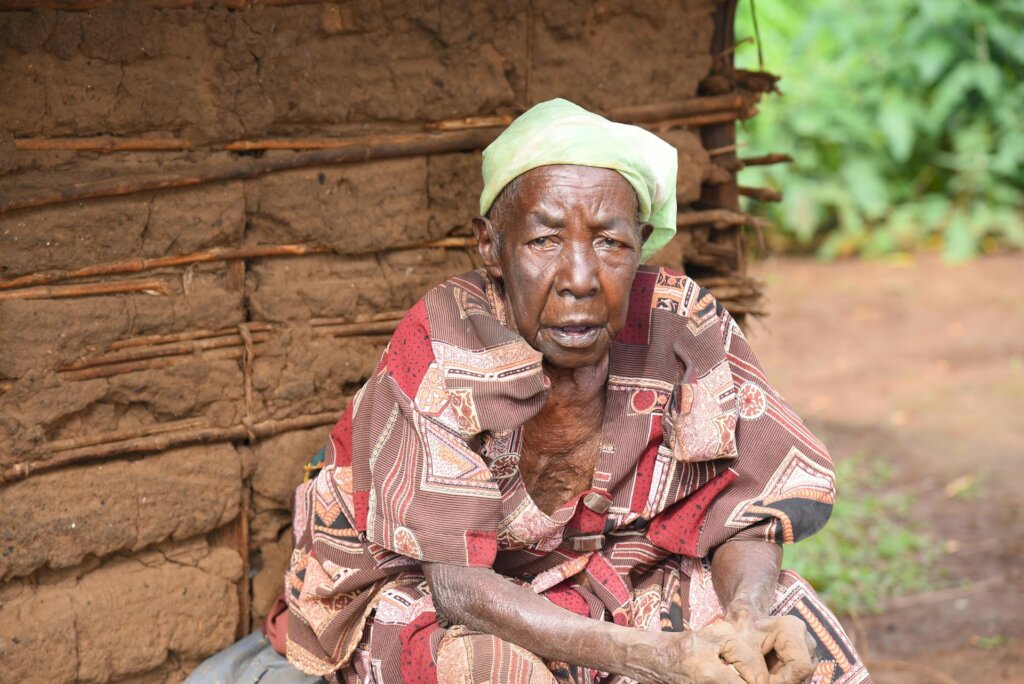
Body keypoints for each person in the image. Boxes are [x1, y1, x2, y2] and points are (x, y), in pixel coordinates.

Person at [284, 99, 871, 684]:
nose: (581, 279)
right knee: (488, 671)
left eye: (610, 243)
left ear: (640, 242)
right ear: (489, 246)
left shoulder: (683, 325)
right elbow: (458, 588)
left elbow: (742, 511)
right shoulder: (445, 343)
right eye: (544, 242)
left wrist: (745, 618)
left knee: (786, 627)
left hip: (610, 578)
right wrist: (654, 657)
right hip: (436, 597)